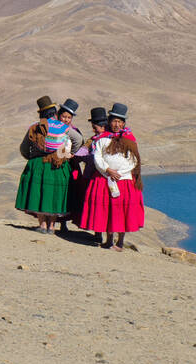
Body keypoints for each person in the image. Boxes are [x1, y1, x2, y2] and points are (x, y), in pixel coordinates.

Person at [80, 103, 145, 250]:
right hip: (105, 178)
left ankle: (120, 241)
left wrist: (119, 174)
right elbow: (97, 157)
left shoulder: (129, 140)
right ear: (109, 122)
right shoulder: (103, 139)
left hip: (124, 180)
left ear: (123, 123)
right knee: (108, 211)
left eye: (119, 122)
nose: (116, 124)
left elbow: (133, 160)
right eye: (114, 121)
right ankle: (108, 240)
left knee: (121, 211)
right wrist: (108, 170)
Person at [14, 95, 72, 231]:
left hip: (38, 163)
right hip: (58, 164)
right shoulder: (64, 127)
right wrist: (65, 154)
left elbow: (23, 147)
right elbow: (78, 139)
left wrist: (31, 158)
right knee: (54, 194)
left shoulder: (35, 127)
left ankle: (42, 225)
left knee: (39, 193)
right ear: (55, 113)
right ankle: (51, 226)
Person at [55, 98, 84, 229]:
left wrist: (71, 154)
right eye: (64, 116)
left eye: (69, 117)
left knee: (69, 192)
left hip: (70, 165)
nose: (66, 120)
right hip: (55, 162)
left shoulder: (75, 131)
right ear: (58, 116)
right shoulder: (54, 129)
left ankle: (64, 222)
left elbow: (80, 145)